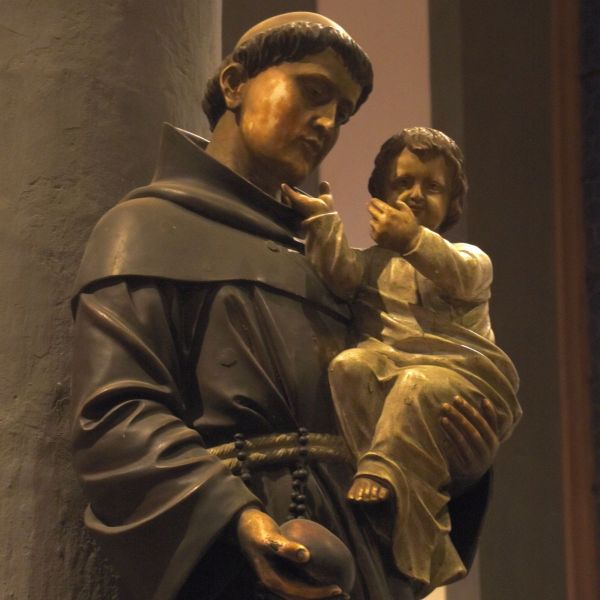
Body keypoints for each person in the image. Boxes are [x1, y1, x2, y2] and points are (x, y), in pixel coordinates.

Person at [71, 15, 500, 600]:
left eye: (341, 114)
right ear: (234, 84)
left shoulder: (325, 260)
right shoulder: (144, 230)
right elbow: (116, 417)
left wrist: (463, 466)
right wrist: (238, 520)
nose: (326, 123)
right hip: (243, 563)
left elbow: (382, 414)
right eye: (313, 92)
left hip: (357, 561)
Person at [282, 127, 522, 590]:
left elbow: (459, 276)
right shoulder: (373, 264)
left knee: (415, 384)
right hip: (389, 371)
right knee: (348, 367)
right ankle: (394, 497)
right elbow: (339, 276)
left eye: (432, 187)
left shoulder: (468, 257)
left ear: (452, 202)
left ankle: (382, 470)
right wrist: (323, 221)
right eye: (402, 183)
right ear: (381, 194)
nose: (415, 195)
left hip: (463, 378)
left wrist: (412, 239)